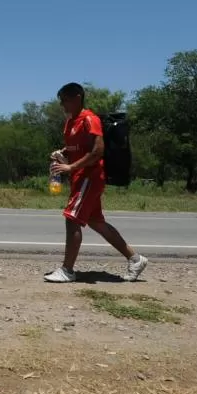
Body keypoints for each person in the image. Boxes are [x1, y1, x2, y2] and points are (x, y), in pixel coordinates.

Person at [45, 83, 148, 283]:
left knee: (72, 218)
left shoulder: (89, 119)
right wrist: (62, 153)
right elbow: (75, 148)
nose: (61, 104)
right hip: (80, 177)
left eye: (64, 99)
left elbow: (97, 151)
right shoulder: (70, 122)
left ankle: (67, 270)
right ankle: (135, 259)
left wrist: (71, 167)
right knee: (97, 222)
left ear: (76, 97)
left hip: (89, 177)